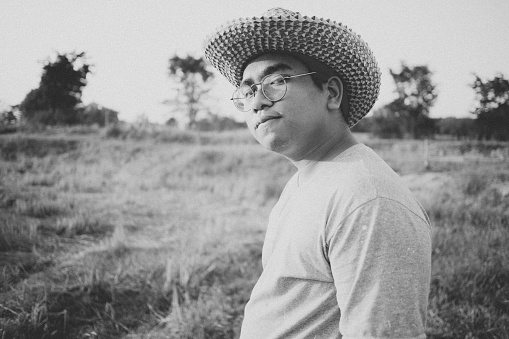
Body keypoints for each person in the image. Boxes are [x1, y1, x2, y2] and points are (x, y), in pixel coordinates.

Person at [204, 7, 431, 339]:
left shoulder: (368, 199)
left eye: (276, 82)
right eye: (249, 90)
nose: (257, 103)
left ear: (332, 93)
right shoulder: (307, 179)